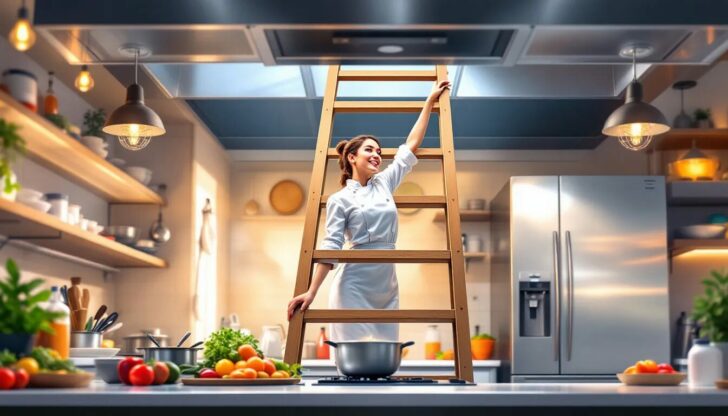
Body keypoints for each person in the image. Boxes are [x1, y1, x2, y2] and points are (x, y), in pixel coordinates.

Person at [287, 80, 451, 341]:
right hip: (353, 284)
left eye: (378, 151)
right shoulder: (339, 200)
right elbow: (331, 248)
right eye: (369, 150)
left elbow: (410, 145)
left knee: (384, 359)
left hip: (387, 284)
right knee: (352, 360)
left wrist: (429, 102)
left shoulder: (384, 183)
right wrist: (311, 292)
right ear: (352, 157)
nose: (377, 155)